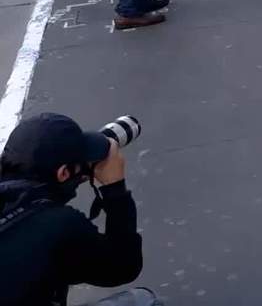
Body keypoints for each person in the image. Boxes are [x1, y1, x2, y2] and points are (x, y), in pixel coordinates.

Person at [0, 112, 156, 306]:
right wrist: (115, 189)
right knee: (142, 301)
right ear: (63, 173)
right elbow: (124, 266)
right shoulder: (59, 225)